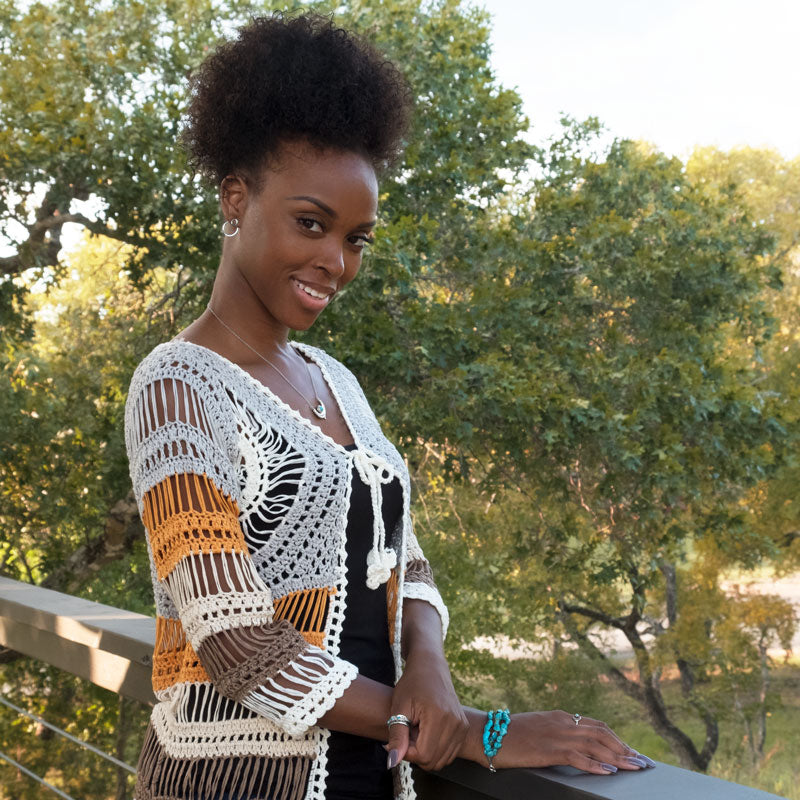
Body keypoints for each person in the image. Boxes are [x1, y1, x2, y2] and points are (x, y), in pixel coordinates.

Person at [124, 12, 655, 800]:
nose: (335, 262)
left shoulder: (334, 378)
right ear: (236, 199)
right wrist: (475, 728)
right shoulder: (176, 388)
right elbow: (234, 641)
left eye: (357, 239)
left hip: (377, 776)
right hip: (228, 783)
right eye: (312, 223)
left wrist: (431, 667)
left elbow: (403, 559)